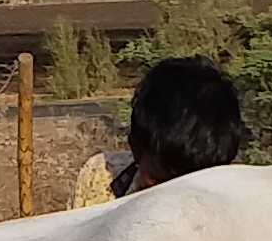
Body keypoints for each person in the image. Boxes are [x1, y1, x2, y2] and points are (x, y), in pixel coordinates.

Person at [73, 53, 245, 203]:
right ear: (136, 147)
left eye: (193, 182)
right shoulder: (99, 179)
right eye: (161, 180)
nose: (172, 196)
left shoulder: (246, 205)